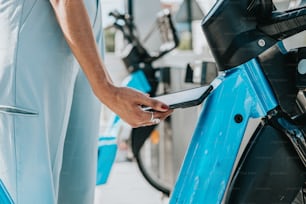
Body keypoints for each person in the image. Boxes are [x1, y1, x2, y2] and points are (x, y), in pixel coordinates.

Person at [0, 0, 172, 204]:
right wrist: (108, 91)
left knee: (76, 194)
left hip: (81, 20)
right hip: (32, 25)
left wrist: (107, 85)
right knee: (30, 194)